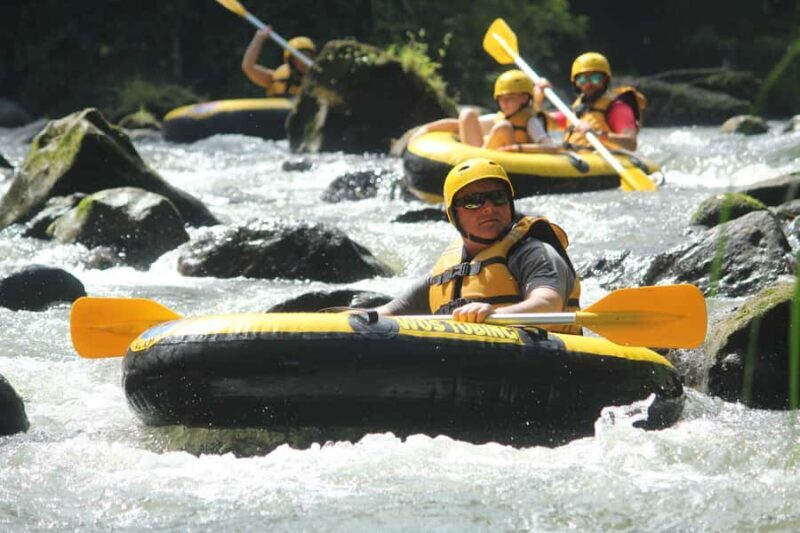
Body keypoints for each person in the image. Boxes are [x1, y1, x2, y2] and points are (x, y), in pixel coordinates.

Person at [375, 158, 581, 332]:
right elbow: (385, 314)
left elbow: (548, 304)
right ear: (453, 214)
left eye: (498, 197)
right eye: (473, 201)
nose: (489, 208)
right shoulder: (443, 274)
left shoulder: (535, 253)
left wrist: (494, 314)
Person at [410, 70, 556, 153]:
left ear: (524, 98)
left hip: (510, 165)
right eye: (501, 99)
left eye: (510, 98)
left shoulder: (531, 121)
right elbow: (458, 124)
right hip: (484, 158)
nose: (504, 103)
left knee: (503, 128)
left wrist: (517, 148)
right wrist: (425, 129)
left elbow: (549, 146)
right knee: (467, 114)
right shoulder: (499, 118)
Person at [539, 52, 646, 152]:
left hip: (602, 159)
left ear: (605, 80)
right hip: (573, 155)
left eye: (595, 78)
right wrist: (538, 96)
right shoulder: (578, 108)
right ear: (576, 83)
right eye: (582, 80)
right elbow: (545, 120)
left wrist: (598, 134)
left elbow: (631, 143)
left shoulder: (618, 108)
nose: (588, 84)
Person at [241, 28, 316, 97]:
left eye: (307, 56)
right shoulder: (277, 79)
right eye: (297, 58)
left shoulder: (321, 81)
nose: (303, 61)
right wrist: (259, 38)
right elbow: (248, 66)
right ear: (291, 62)